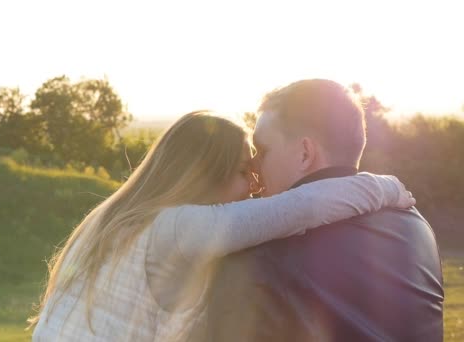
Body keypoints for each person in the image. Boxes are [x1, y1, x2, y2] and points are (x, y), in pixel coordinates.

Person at [29, 110, 414, 341]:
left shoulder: (115, 218)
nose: (255, 184)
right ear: (206, 174)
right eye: (245, 170)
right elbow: (303, 206)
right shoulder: (178, 229)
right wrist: (387, 186)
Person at [206, 79, 444, 341]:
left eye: (262, 151)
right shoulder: (416, 227)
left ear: (305, 154)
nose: (253, 166)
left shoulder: (256, 254)